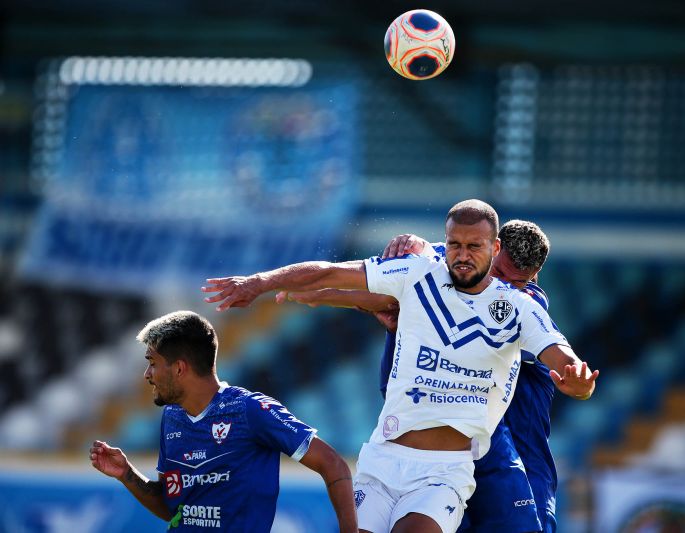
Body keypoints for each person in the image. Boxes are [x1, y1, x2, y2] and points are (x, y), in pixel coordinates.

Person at [202, 199, 597, 533]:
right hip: (385, 457)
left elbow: (562, 357)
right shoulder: (425, 270)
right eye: (455, 245)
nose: (464, 256)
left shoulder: (521, 306)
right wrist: (279, 286)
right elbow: (356, 282)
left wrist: (578, 380)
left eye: (474, 248)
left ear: (493, 249)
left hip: (478, 455)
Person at [89, 310, 358, 532]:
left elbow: (333, 464)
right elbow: (174, 508)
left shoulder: (249, 410)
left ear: (180, 368)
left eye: (152, 363)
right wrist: (127, 474)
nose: (147, 374)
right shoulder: (172, 416)